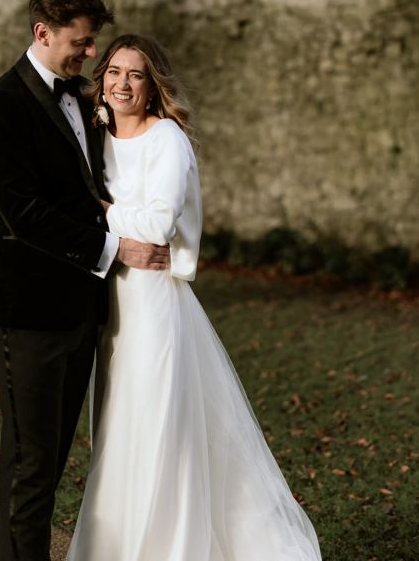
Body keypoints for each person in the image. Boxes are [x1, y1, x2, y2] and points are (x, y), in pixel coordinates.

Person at [66, 32, 322, 561]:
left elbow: (159, 224)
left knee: (159, 428)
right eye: (114, 71)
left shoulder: (168, 140)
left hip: (153, 304)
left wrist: (97, 209)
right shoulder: (94, 134)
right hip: (106, 300)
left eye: (135, 74)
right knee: (115, 433)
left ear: (152, 84)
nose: (122, 84)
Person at [0, 0, 169, 561]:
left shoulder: (85, 101)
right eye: (82, 43)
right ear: (43, 31)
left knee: (51, 463)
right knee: (30, 470)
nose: (91, 54)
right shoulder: (0, 105)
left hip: (80, 310)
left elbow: (89, 188)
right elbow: (26, 215)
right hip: (26, 311)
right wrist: (116, 251)